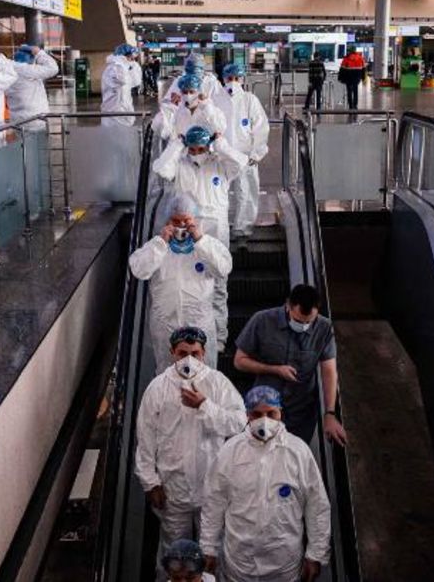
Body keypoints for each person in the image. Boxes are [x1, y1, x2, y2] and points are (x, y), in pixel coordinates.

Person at [135, 325, 246, 579]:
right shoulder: (157, 388)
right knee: (174, 554)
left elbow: (239, 423)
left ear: (204, 353)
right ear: (172, 352)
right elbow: (145, 439)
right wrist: (150, 483)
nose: (189, 359)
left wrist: (205, 406)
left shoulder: (218, 383)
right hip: (173, 491)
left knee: (213, 553)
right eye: (182, 352)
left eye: (194, 353)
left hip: (212, 489)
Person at [200, 386, 331, 582]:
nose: (264, 420)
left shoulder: (298, 452)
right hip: (239, 564)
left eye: (271, 413)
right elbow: (213, 503)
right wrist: (208, 547)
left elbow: (317, 505)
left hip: (284, 566)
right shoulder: (230, 452)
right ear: (247, 415)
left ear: (281, 413)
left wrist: (316, 555)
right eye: (257, 414)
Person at [152, 126, 247, 352]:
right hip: (182, 227)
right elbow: (161, 168)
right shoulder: (179, 164)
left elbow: (241, 162)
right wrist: (176, 145)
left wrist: (221, 144)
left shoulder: (221, 165)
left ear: (209, 146)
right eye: (192, 149)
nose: (196, 153)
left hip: (214, 229)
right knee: (191, 281)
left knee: (218, 283)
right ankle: (188, 337)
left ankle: (219, 337)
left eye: (201, 148)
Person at [234, 284, 347, 446]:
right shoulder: (262, 320)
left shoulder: (324, 327)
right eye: (298, 320)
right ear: (288, 305)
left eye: (309, 322)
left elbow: (328, 371)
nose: (303, 326)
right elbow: (239, 361)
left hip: (300, 412)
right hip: (264, 408)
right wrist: (275, 370)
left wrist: (329, 413)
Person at [129, 195, 233, 367]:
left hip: (200, 324)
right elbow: (139, 269)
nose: (181, 226)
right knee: (168, 377)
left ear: (195, 220)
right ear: (167, 220)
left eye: (186, 221)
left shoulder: (208, 245)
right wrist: (161, 242)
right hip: (166, 326)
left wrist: (201, 241)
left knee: (204, 377)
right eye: (175, 221)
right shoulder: (158, 247)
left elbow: (223, 269)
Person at [214, 63, 269, 238]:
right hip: (221, 155)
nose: (233, 82)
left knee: (246, 191)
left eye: (237, 79)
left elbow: (261, 127)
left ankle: (242, 228)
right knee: (218, 192)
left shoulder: (250, 100)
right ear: (223, 79)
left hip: (246, 156)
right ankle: (220, 225)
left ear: (243, 79)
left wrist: (256, 153)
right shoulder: (215, 99)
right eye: (229, 79)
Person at [152, 74, 228, 145]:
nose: (188, 95)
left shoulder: (209, 109)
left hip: (205, 154)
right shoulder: (177, 112)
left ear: (198, 92)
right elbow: (161, 129)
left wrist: (207, 107)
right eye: (185, 92)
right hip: (182, 156)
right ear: (180, 92)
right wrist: (168, 109)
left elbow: (219, 128)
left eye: (192, 92)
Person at [6, 44, 59, 130]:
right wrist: (39, 53)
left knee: (21, 141)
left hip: (16, 119)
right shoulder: (27, 70)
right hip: (34, 120)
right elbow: (53, 68)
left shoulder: (8, 71)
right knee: (36, 142)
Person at [101, 43, 141, 127]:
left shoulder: (122, 67)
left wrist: (132, 67)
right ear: (124, 56)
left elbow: (135, 82)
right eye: (131, 58)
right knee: (113, 135)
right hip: (114, 109)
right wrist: (128, 66)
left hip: (122, 108)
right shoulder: (115, 68)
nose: (132, 61)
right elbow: (123, 80)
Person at [337, 46, 366, 110]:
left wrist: (340, 78)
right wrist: (363, 78)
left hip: (348, 78)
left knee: (349, 92)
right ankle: (355, 105)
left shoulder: (346, 59)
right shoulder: (360, 58)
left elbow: (342, 69)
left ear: (349, 51)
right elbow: (364, 69)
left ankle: (350, 105)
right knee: (355, 91)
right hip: (357, 78)